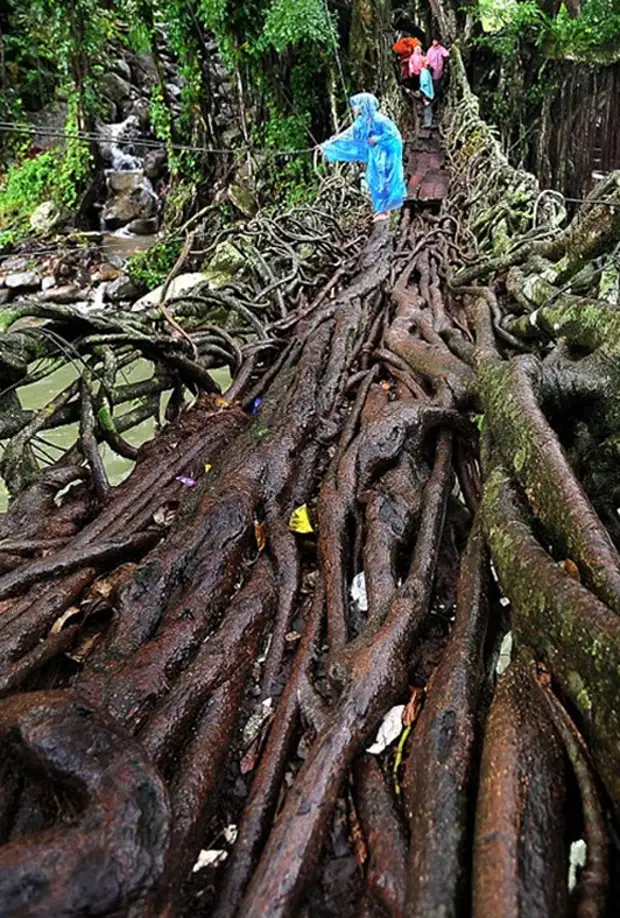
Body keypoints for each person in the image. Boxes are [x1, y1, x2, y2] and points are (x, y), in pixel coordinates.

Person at [320, 93, 406, 221]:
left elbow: (394, 136)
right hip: (375, 156)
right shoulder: (361, 122)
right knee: (373, 179)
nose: (354, 108)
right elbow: (348, 135)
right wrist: (327, 145)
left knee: (386, 179)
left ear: (364, 105)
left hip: (387, 155)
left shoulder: (380, 120)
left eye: (356, 105)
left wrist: (377, 139)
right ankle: (381, 209)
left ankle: (385, 210)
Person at [419, 58, 435, 128]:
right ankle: (427, 123)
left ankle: (428, 122)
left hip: (428, 93)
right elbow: (424, 83)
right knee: (427, 108)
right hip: (426, 93)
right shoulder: (424, 72)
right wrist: (425, 94)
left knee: (428, 108)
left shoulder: (426, 71)